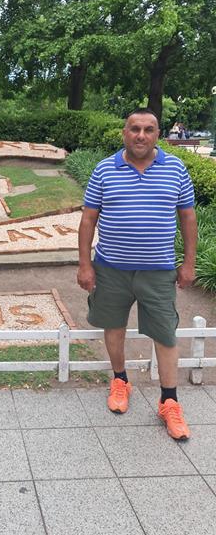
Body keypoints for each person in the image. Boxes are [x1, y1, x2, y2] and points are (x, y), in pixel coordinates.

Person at [77, 107, 197, 440]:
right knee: (114, 325)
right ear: (124, 133)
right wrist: (85, 264)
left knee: (165, 334)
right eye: (134, 129)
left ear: (158, 134)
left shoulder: (175, 169)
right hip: (111, 268)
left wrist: (188, 263)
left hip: (158, 271)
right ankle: (120, 380)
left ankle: (169, 402)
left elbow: (188, 217)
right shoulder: (104, 169)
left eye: (148, 129)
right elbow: (88, 219)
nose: (141, 135)